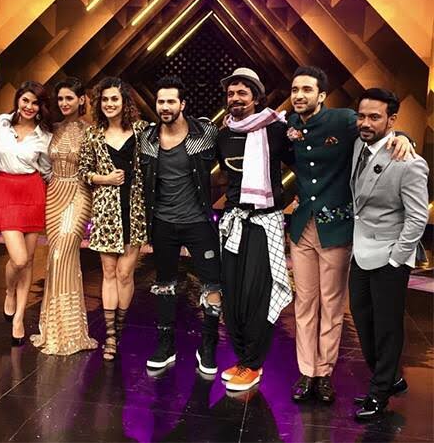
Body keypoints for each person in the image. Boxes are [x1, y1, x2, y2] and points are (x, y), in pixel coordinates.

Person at [287, 66, 415, 403]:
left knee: (331, 305)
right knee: (304, 302)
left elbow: (377, 131)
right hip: (302, 227)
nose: (299, 95)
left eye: (307, 90)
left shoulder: (344, 119)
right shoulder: (289, 123)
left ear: (321, 95)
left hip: (337, 228)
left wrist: (405, 137)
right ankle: (307, 371)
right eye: (295, 89)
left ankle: (324, 374)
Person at [349, 88, 428, 420]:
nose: (365, 123)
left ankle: (380, 392)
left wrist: (397, 258)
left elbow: (418, 217)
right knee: (362, 320)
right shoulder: (359, 145)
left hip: (389, 256)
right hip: (361, 250)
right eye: (361, 116)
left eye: (374, 117)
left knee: (386, 327)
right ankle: (391, 379)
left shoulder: (409, 163)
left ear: (392, 120)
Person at [216, 68, 294, 390]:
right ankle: (242, 360)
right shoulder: (223, 135)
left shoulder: (276, 130)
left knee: (257, 295)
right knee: (232, 294)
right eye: (231, 94)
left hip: (265, 223)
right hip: (234, 221)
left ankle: (253, 364)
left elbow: (305, 160)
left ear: (256, 97)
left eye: (242, 93)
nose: (235, 99)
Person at [139, 76, 222, 376]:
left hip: (199, 222)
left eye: (171, 101)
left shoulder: (205, 133)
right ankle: (165, 345)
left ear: (182, 104)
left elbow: (233, 153)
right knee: (164, 283)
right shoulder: (147, 139)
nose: (165, 106)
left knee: (212, 285)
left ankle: (208, 346)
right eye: (161, 101)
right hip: (163, 223)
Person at [78, 77, 147, 361]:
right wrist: (103, 178)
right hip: (106, 211)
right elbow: (83, 171)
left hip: (135, 210)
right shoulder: (93, 135)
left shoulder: (142, 131)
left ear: (124, 102)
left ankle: (119, 328)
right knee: (108, 273)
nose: (109, 104)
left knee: (124, 273)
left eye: (114, 99)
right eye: (105, 99)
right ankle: (109, 336)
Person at [30, 77, 98, 355]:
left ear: (81, 100)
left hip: (79, 194)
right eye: (60, 98)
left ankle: (69, 332)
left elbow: (96, 167)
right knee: (55, 258)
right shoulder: (53, 129)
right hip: (54, 194)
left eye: (69, 98)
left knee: (62, 254)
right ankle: (54, 330)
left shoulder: (93, 132)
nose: (64, 103)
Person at [0, 81, 52, 346]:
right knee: (19, 258)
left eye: (35, 103)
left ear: (40, 107)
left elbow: (47, 170)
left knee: (28, 261)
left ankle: (19, 319)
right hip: (4, 189)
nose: (29, 106)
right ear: (17, 100)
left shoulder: (44, 136)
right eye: (25, 100)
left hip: (32, 192)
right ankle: (9, 291)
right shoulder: (1, 124)